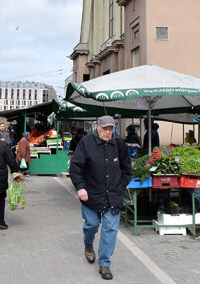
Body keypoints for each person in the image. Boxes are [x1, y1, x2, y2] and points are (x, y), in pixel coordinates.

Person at [69, 115, 132, 281]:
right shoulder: (86, 143)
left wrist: (120, 186)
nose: (108, 132)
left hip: (113, 195)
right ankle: (88, 245)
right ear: (97, 127)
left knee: (110, 229)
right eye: (105, 129)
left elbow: (127, 169)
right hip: (91, 195)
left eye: (111, 128)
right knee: (92, 224)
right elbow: (75, 168)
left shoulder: (119, 144)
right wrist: (80, 187)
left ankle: (104, 264)